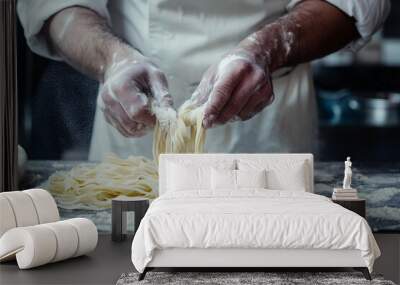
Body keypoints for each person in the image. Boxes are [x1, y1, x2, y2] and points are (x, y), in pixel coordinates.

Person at [18, 0, 390, 161]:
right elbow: (52, 5)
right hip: (137, 125)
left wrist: (266, 50)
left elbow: (354, 4)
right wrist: (111, 60)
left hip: (268, 129)